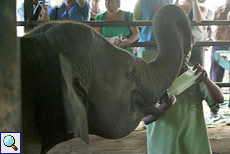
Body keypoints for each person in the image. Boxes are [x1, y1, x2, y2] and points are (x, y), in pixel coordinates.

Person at [145, 41, 224, 154]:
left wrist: (207, 81)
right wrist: (164, 107)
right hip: (164, 147)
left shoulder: (194, 76)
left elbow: (219, 99)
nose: (186, 54)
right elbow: (146, 119)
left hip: (193, 146)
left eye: (189, 49)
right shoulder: (153, 78)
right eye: (181, 49)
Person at [175, 0, 214, 67]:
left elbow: (198, 19)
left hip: (196, 42)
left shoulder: (202, 6)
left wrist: (194, 2)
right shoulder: (178, 4)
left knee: (197, 68)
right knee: (180, 68)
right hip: (181, 42)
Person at [209, 0, 230, 118]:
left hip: (224, 43)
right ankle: (214, 109)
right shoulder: (218, 8)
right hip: (219, 43)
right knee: (215, 77)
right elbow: (209, 24)